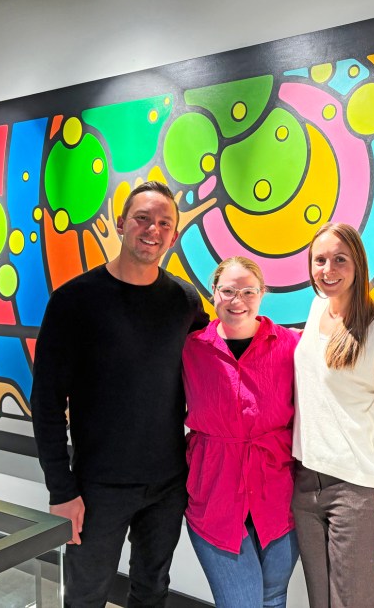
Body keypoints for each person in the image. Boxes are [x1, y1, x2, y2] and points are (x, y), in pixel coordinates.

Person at [31, 181, 208, 608]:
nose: (153, 230)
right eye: (143, 218)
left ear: (174, 234)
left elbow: (215, 367)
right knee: (85, 596)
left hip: (168, 485)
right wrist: (61, 490)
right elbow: (47, 403)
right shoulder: (73, 301)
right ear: (120, 222)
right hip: (96, 488)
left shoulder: (184, 301)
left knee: (152, 592)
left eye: (165, 223)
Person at [291, 223, 374, 608]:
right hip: (305, 484)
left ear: (358, 265)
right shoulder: (315, 311)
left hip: (357, 490)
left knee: (359, 603)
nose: (328, 270)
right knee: (322, 602)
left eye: (339, 260)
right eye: (320, 260)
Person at [182, 256, 300, 607]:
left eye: (248, 291)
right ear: (213, 292)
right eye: (228, 290)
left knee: (274, 599)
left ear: (263, 293)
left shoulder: (290, 346)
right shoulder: (191, 349)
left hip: (278, 496)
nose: (238, 301)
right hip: (214, 495)